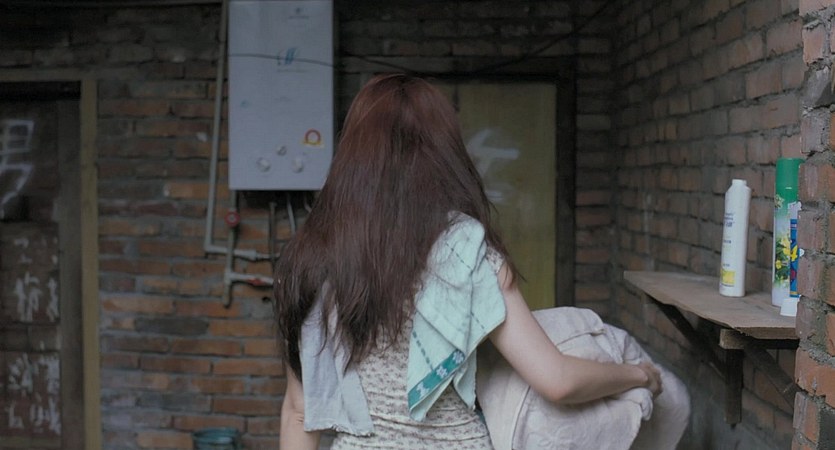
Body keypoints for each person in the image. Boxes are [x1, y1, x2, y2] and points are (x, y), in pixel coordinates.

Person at [273, 73, 663, 449]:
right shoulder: (465, 250)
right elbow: (557, 380)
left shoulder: (311, 256)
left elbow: (298, 410)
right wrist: (638, 375)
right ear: (443, 152)